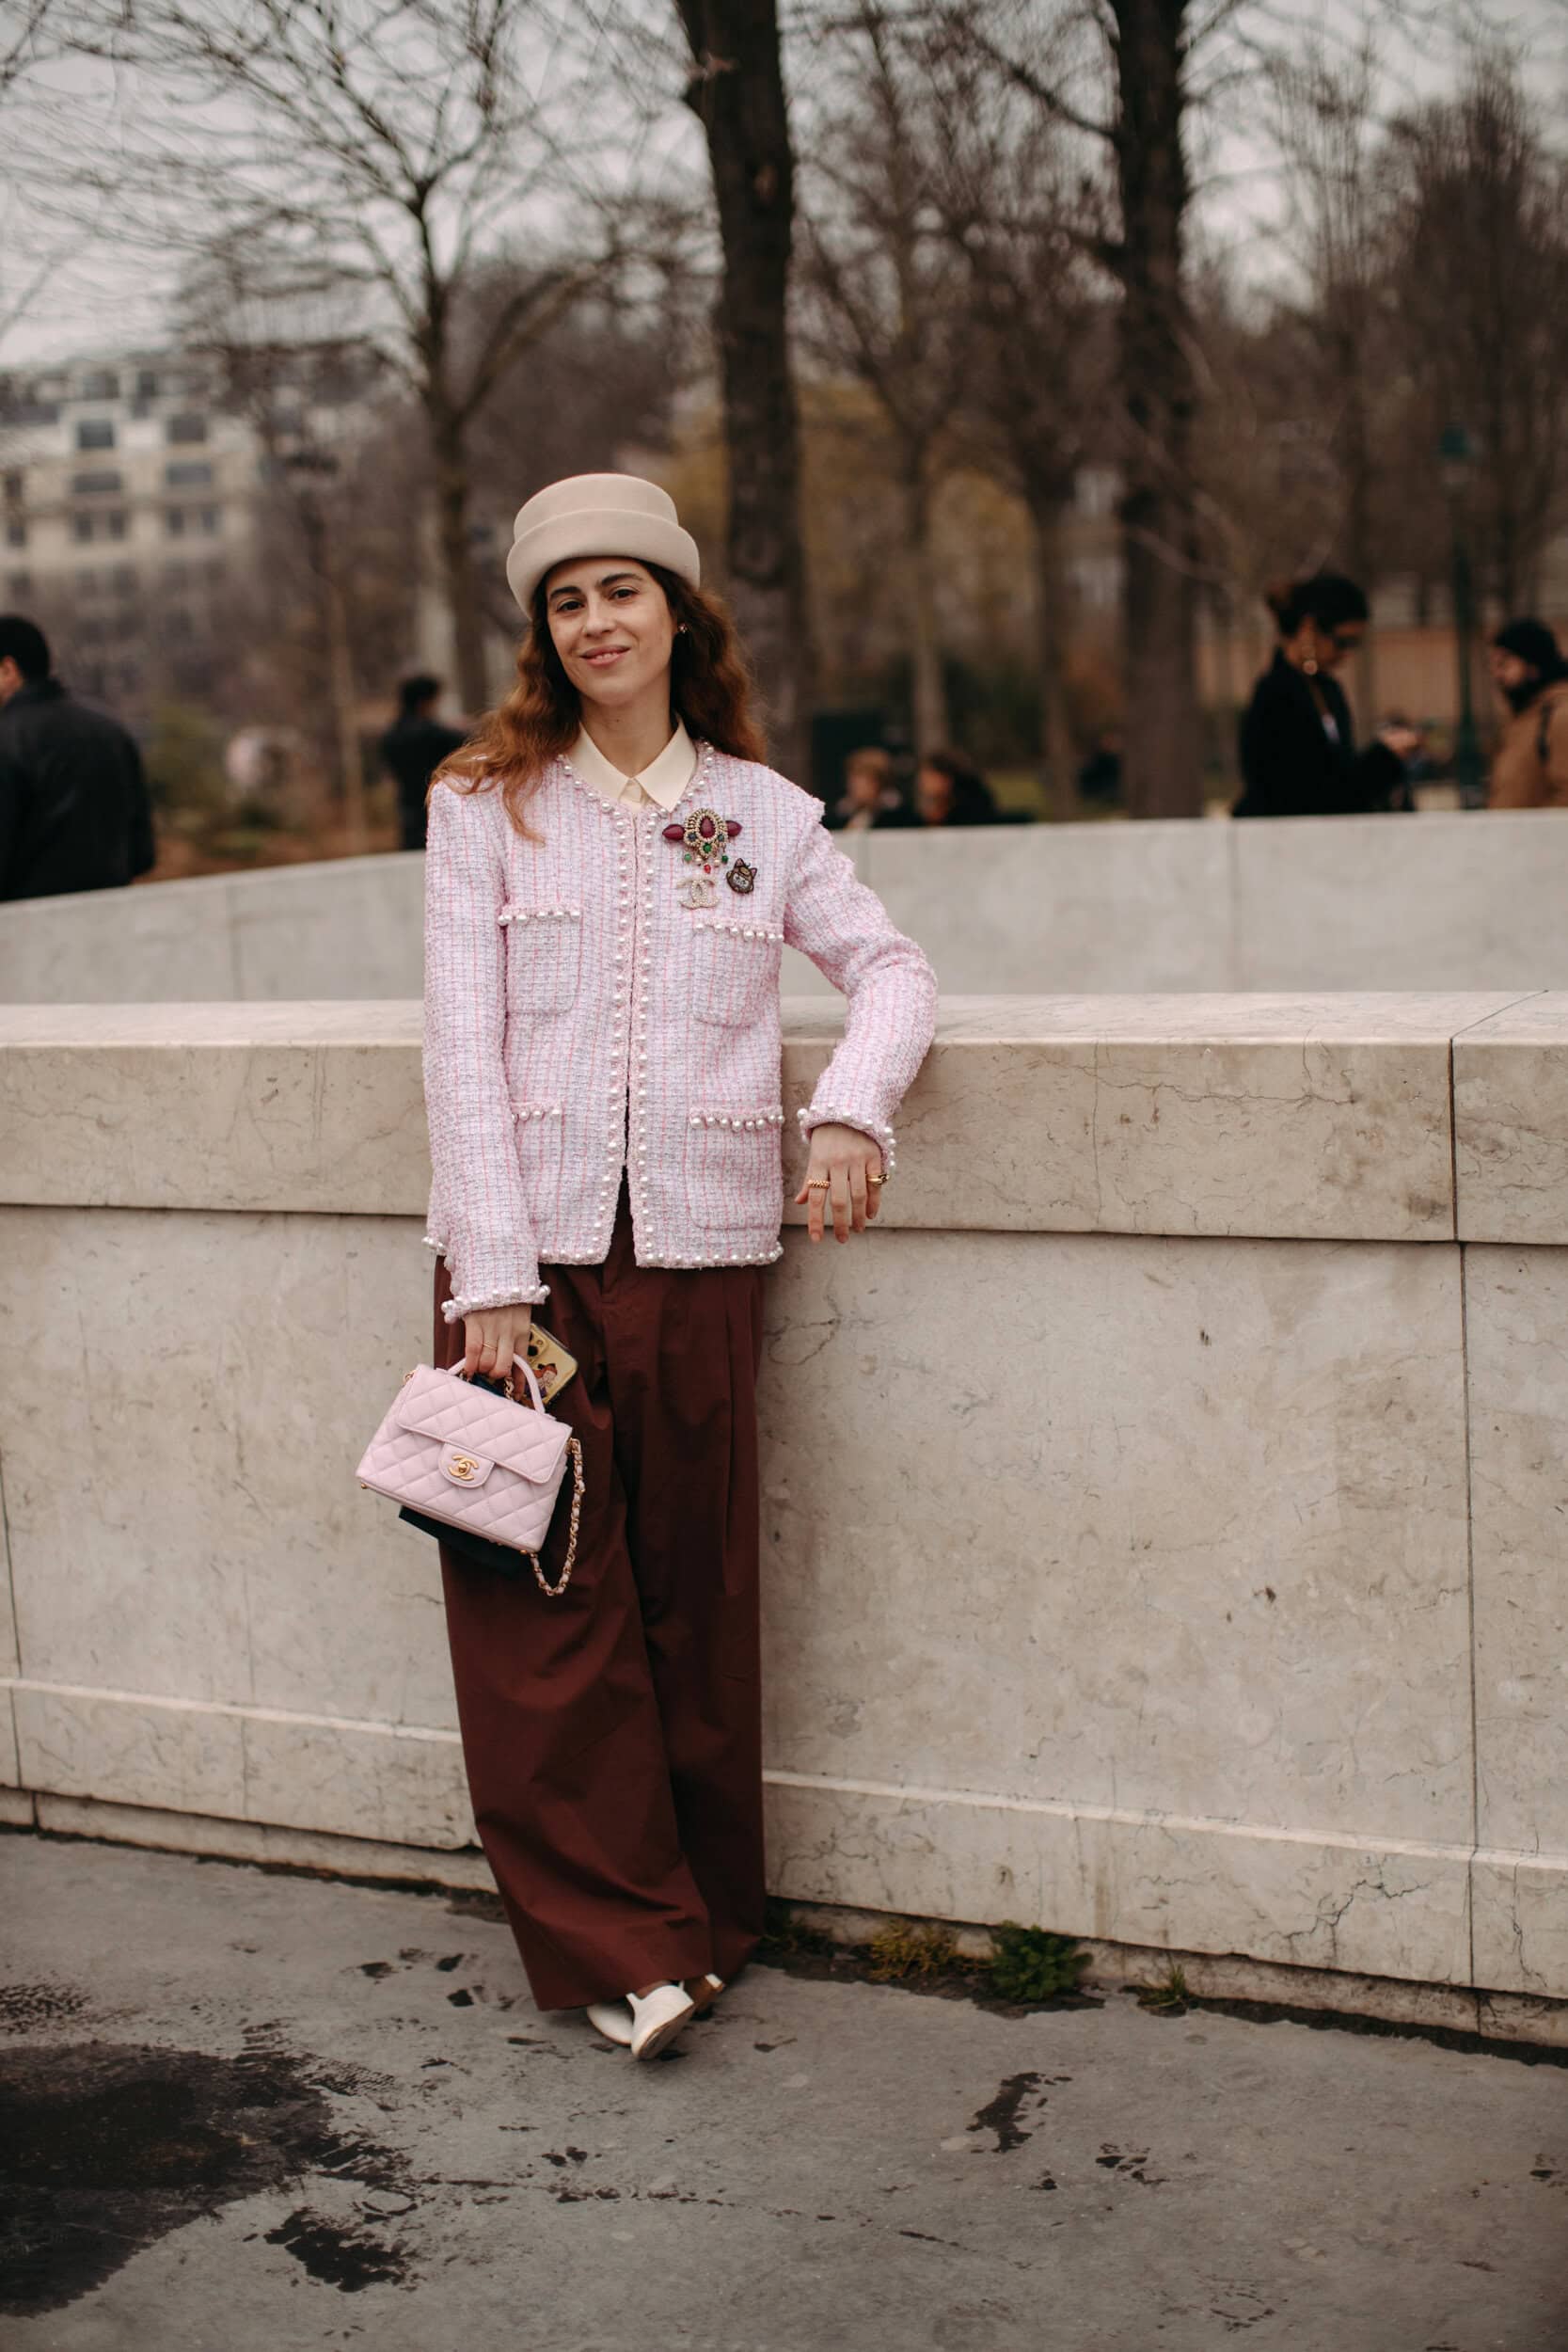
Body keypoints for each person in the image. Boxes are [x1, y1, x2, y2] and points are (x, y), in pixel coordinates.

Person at [421, 473, 937, 2063]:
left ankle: (699, 1920)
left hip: (707, 1249)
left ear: (676, 612)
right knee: (538, 1605)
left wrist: (848, 1113)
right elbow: (459, 1047)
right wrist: (488, 1277)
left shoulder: (767, 819)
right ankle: (618, 1944)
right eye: (564, 601)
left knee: (695, 1595)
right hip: (529, 1271)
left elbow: (895, 971)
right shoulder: (480, 805)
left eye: (619, 591)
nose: (594, 624)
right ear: (541, 633)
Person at [1232, 577, 1418, 818]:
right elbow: (1303, 792)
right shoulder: (1274, 696)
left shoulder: (1328, 690)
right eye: (1342, 641)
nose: (1346, 653)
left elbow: (1338, 784)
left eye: (1355, 643)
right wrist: (1383, 758)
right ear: (1309, 629)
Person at [0, 615, 155, 900]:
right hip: (112, 918)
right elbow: (142, 854)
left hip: (26, 927)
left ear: (8, 670)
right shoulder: (111, 728)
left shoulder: (6, 739)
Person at [1486, 619, 1568, 811]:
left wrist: (1530, 833)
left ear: (1532, 666)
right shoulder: (1526, 718)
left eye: (1504, 664)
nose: (1497, 674)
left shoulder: (1559, 716)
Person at [380, 673, 467, 850]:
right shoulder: (436, 735)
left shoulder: (391, 736)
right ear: (425, 702)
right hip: (439, 809)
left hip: (408, 811)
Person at [825, 743, 913, 831]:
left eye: (863, 781)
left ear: (880, 783)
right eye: (852, 780)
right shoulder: (839, 815)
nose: (854, 787)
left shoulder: (898, 817)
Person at [914, 747, 1000, 827]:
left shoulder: (970, 812)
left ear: (946, 778)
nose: (922, 782)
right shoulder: (941, 810)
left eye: (929, 776)